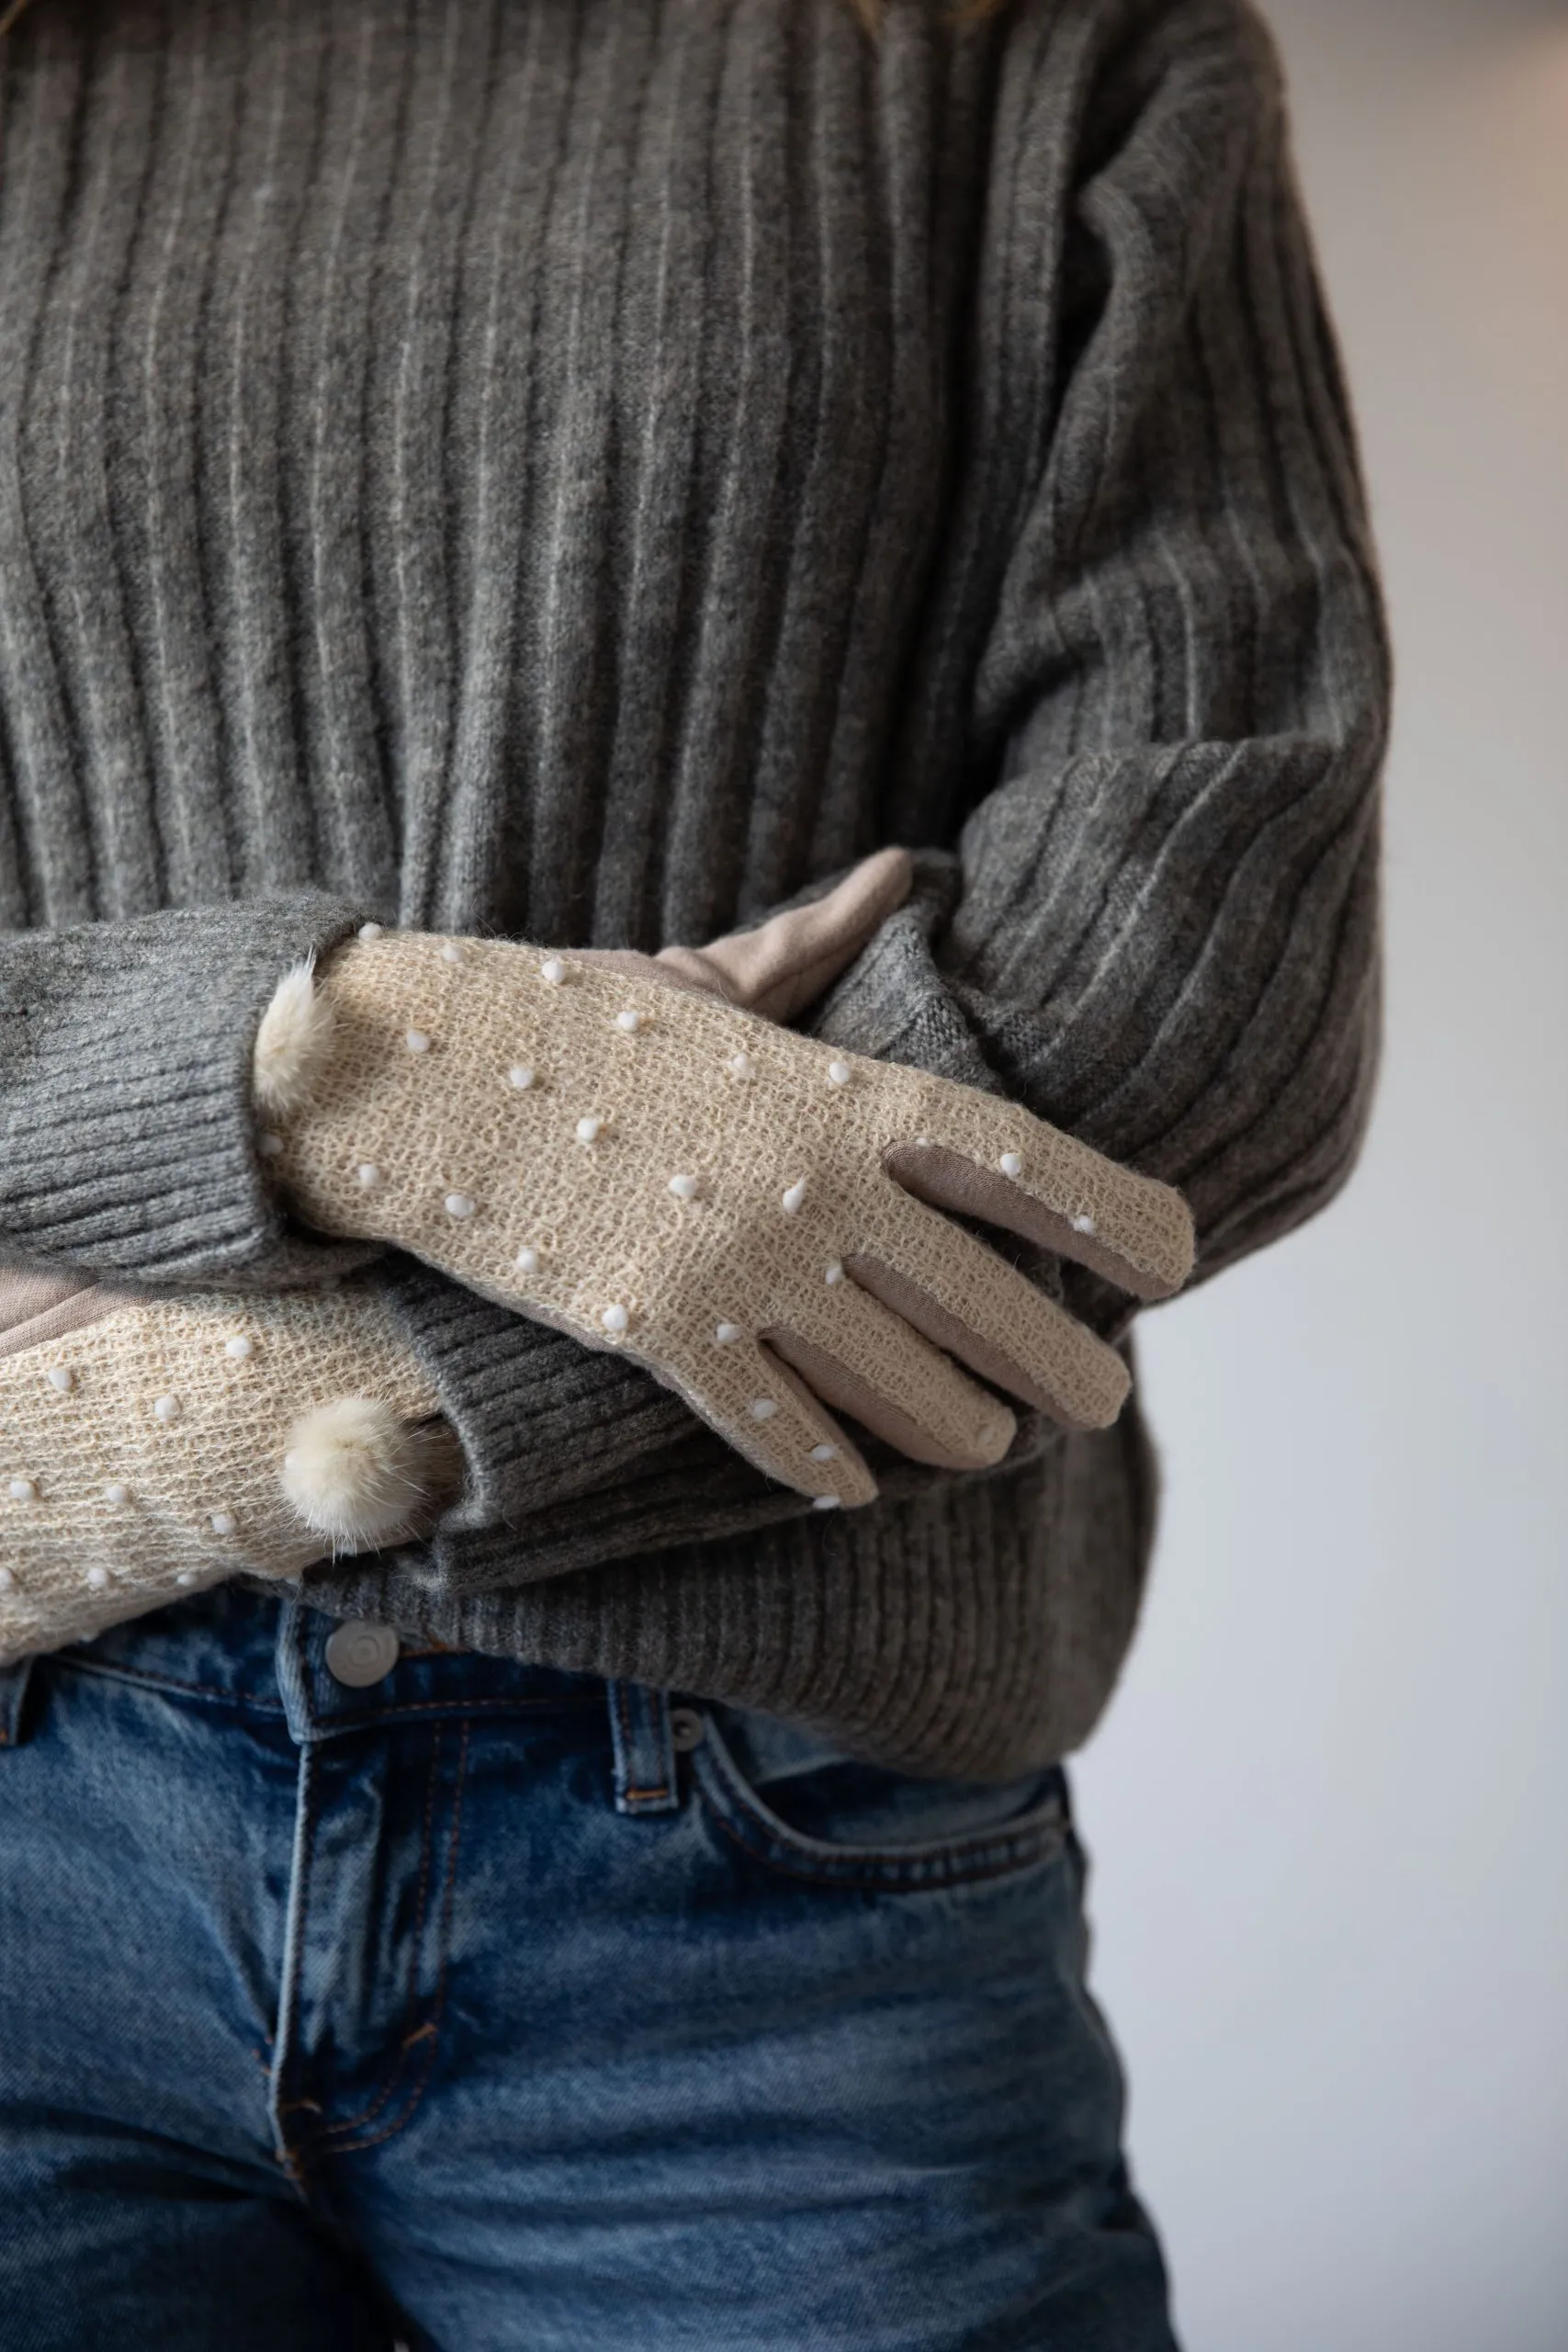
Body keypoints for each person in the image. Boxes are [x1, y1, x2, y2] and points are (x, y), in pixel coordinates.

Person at [0, 0, 1386, 2342]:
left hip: (761, 1886)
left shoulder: (1050, 47)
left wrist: (208, 1431)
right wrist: (369, 1069)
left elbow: (1204, 971)